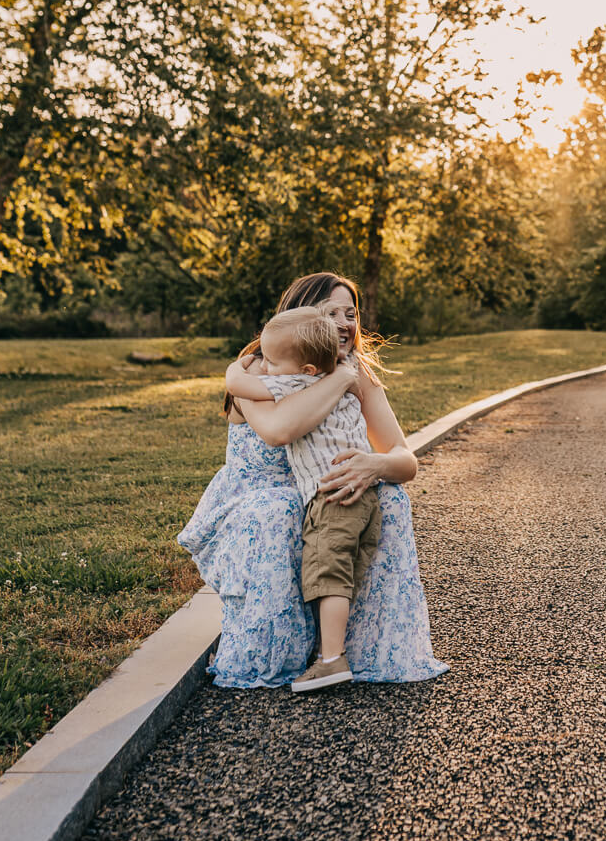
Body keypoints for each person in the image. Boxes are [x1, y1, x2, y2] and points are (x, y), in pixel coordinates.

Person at [178, 272, 448, 687]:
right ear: (300, 319)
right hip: (257, 494)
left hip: (318, 491)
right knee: (283, 508)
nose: (344, 325)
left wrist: (372, 466)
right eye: (330, 314)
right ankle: (280, 653)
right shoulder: (257, 369)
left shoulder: (358, 375)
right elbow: (279, 430)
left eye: (351, 314)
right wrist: (339, 379)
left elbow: (404, 458)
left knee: (390, 499)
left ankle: (361, 650)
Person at [252, 306, 383, 692]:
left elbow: (243, 387)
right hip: (362, 499)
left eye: (272, 362)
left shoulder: (299, 382)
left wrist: (238, 368)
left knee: (328, 576)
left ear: (307, 368)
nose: (267, 367)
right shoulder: (334, 378)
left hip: (334, 495)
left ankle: (331, 660)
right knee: (342, 575)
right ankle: (331, 653)